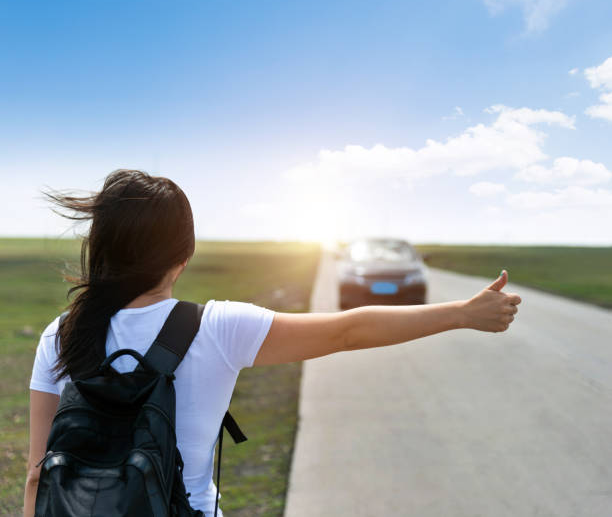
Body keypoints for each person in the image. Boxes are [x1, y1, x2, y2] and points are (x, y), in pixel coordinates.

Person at [24, 169, 521, 517]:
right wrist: (461, 313)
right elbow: (349, 329)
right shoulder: (217, 328)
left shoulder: (62, 333)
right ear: (185, 255)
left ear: (101, 247)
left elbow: (37, 474)